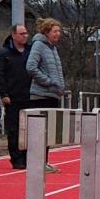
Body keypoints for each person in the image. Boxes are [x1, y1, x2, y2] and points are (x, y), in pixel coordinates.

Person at [26, 18, 66, 174]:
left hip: (53, 94)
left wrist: (59, 87)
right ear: (47, 32)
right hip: (41, 95)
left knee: (49, 131)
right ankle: (37, 162)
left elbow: (56, 70)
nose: (58, 34)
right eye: (55, 31)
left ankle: (44, 161)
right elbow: (31, 67)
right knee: (40, 131)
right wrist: (48, 82)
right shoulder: (39, 45)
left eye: (59, 31)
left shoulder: (52, 48)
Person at [0, 23, 32, 169]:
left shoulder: (30, 51)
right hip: (12, 97)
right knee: (14, 129)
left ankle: (27, 157)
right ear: (13, 35)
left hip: (29, 96)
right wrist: (4, 94)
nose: (25, 36)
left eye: (26, 33)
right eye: (22, 34)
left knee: (29, 128)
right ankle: (16, 158)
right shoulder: (4, 53)